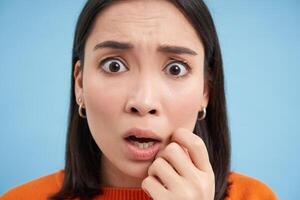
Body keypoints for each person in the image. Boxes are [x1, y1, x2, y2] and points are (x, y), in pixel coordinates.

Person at [0, 0, 277, 200]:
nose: (143, 102)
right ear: (80, 83)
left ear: (205, 91)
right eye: (114, 65)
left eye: (175, 68)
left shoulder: (254, 197)